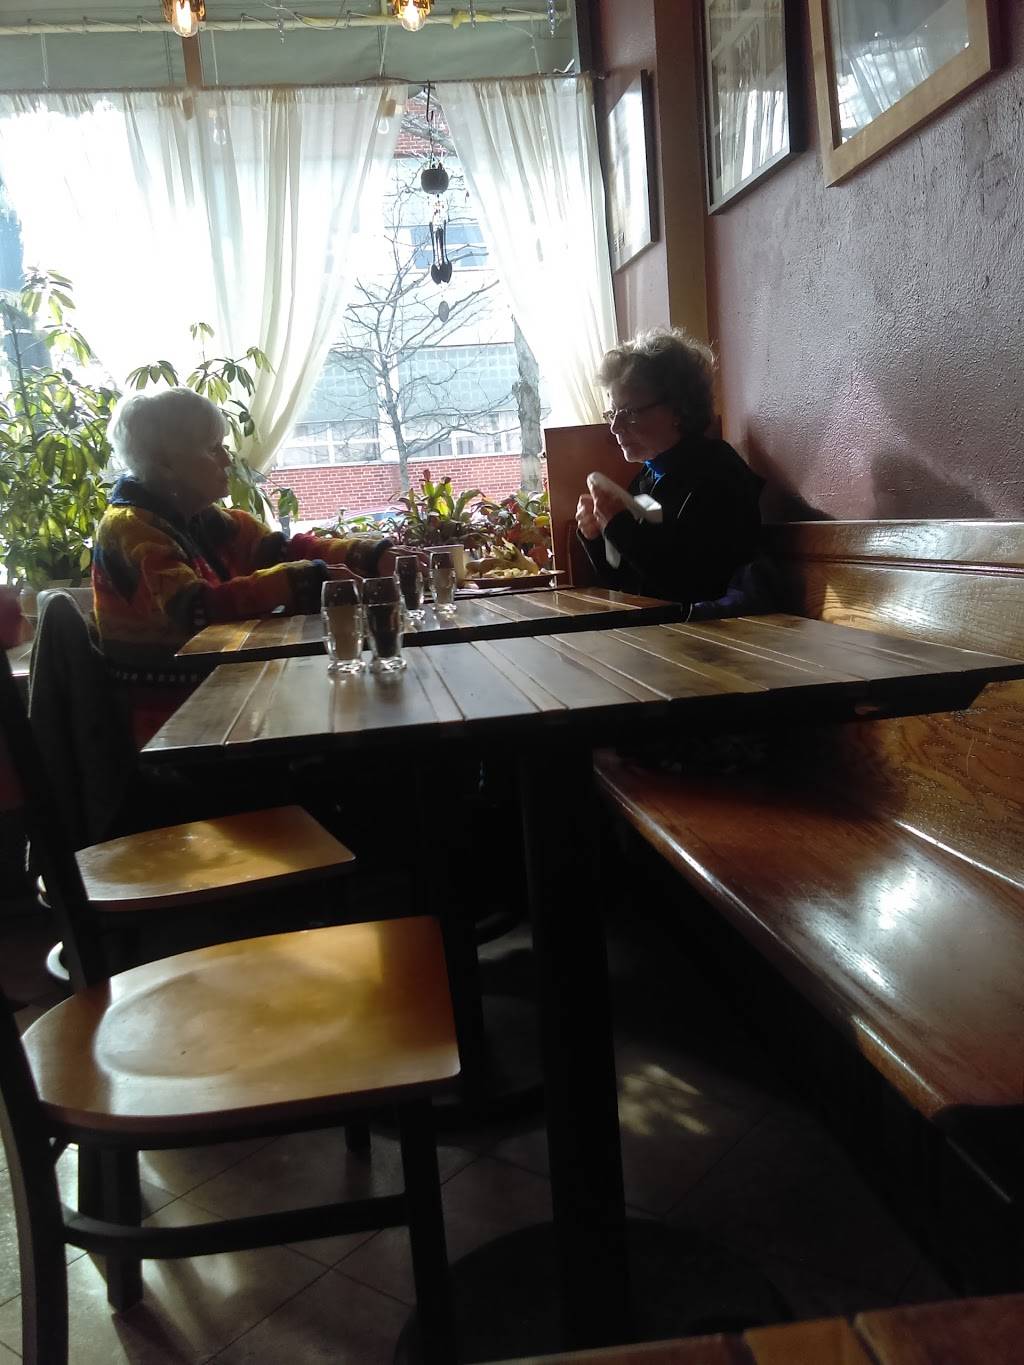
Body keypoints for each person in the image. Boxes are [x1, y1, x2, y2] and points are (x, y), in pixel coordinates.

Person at [93, 387, 408, 743]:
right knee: (368, 721)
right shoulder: (130, 529)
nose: (227, 460)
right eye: (213, 448)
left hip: (229, 696)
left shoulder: (204, 519)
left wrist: (368, 554)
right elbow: (195, 609)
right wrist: (299, 579)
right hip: (178, 725)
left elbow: (283, 550)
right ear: (166, 462)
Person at [576, 327, 764, 611]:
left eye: (628, 413)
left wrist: (618, 526)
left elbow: (690, 586)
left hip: (715, 633)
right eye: (613, 413)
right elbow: (629, 585)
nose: (614, 427)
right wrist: (595, 534)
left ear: (678, 408)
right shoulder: (648, 477)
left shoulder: (718, 475)